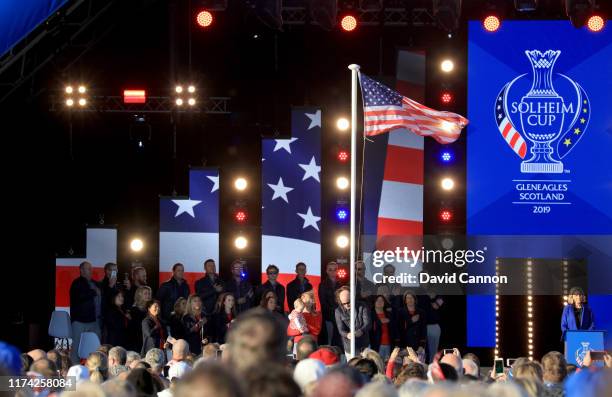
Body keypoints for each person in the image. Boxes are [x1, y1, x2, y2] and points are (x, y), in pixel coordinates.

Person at [69, 261, 102, 363]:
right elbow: (79, 297)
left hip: (94, 320)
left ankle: (95, 368)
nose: (91, 270)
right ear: (81, 270)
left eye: (91, 268)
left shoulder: (95, 283)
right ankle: (74, 370)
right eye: (88, 268)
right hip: (79, 321)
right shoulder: (77, 283)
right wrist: (93, 292)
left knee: (96, 346)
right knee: (76, 347)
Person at [334, 286, 371, 355]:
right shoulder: (338, 311)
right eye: (343, 303)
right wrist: (348, 335)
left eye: (348, 302)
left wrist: (361, 331)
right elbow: (341, 330)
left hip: (364, 345)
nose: (347, 305)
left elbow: (368, 323)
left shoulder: (362, 306)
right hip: (349, 347)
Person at [319, 261, 342, 346]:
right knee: (330, 340)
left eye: (335, 269)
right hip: (328, 317)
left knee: (339, 339)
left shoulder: (340, 284)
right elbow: (323, 302)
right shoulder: (323, 285)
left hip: (340, 315)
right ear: (327, 271)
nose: (333, 271)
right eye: (330, 270)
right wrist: (333, 312)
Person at [396, 291, 426, 358]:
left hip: (418, 346)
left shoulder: (421, 312)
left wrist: (422, 345)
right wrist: (411, 321)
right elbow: (399, 329)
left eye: (411, 298)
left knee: (417, 366)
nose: (410, 300)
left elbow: (423, 330)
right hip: (404, 345)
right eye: (408, 298)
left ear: (415, 300)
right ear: (405, 300)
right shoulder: (400, 312)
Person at [369, 295, 397, 361]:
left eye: (382, 300)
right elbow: (370, 329)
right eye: (377, 300)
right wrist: (379, 321)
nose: (380, 302)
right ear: (374, 302)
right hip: (376, 345)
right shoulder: (371, 314)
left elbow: (394, 329)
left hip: (389, 344)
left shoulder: (389, 314)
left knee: (387, 365)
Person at [127, 286, 152, 352]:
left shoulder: (151, 308)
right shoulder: (134, 310)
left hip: (148, 339)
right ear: (139, 295)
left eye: (149, 293)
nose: (148, 295)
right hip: (137, 341)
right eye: (145, 293)